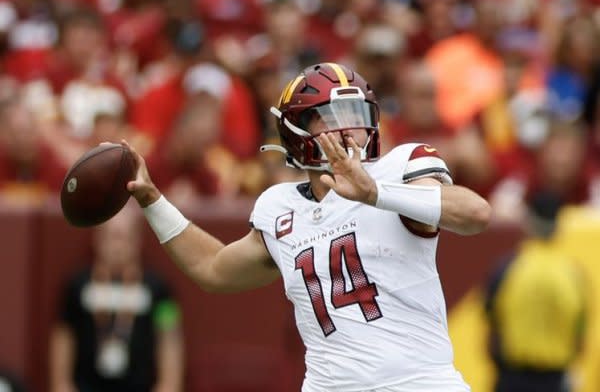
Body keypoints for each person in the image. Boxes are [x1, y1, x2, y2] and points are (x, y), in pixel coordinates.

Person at [123, 62, 491, 391]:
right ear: (297, 132)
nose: (350, 130)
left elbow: (475, 214)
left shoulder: (399, 168)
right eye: (333, 116)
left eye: (358, 114)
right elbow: (213, 269)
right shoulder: (280, 206)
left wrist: (375, 192)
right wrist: (153, 201)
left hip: (418, 383)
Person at [49, 204, 183, 392]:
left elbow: (169, 338)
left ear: (137, 240)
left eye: (124, 237)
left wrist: (168, 386)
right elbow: (63, 336)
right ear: (98, 238)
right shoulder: (77, 285)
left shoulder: (159, 289)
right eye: (112, 237)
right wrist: (62, 385)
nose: (117, 246)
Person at [484, 193, 586, 392]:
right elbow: (580, 334)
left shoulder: (509, 267)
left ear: (529, 224)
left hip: (512, 376)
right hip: (555, 378)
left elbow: (491, 323)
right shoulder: (573, 274)